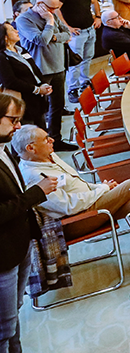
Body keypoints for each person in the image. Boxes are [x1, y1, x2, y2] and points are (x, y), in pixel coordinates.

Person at [12, 125, 130, 268]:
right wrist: (103, 190)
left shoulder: (49, 156)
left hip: (89, 203)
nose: (52, 140)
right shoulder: (34, 177)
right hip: (74, 220)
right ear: (31, 148)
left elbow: (77, 182)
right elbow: (68, 207)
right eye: (46, 139)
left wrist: (100, 186)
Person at [0, 94, 58, 353]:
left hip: (19, 243)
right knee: (4, 327)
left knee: (14, 314)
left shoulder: (5, 149)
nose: (17, 127)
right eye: (13, 120)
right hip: (3, 255)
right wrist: (38, 193)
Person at [15, 0, 74, 149]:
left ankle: (55, 139)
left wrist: (53, 36)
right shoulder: (24, 19)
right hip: (41, 69)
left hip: (58, 66)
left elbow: (67, 34)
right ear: (39, 4)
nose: (53, 12)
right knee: (40, 110)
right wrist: (49, 22)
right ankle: (41, 144)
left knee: (58, 106)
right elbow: (41, 40)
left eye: (56, 8)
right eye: (51, 8)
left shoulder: (52, 14)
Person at [54, 0, 101, 103]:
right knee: (75, 62)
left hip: (89, 29)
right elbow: (57, 10)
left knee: (87, 57)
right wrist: (67, 27)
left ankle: (84, 82)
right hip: (76, 33)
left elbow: (94, 1)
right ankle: (72, 89)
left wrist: (98, 16)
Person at [0, 23, 52, 132]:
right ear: (5, 37)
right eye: (12, 30)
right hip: (22, 101)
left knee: (41, 130)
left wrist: (43, 84)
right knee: (28, 134)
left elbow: (34, 69)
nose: (17, 31)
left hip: (37, 99)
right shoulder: (2, 57)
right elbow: (10, 81)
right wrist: (37, 90)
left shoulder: (21, 50)